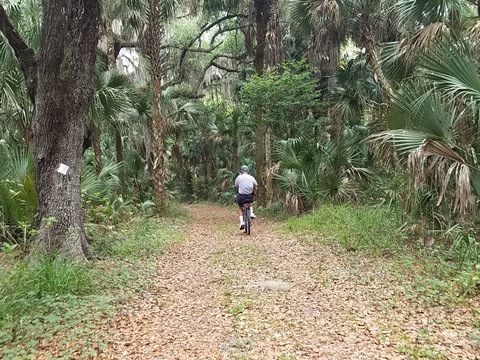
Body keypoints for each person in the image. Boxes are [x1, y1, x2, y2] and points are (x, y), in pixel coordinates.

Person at [235, 165, 257, 229]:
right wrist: (254, 194)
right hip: (249, 196)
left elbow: (236, 185)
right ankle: (251, 213)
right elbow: (255, 185)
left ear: (241, 171)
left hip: (241, 196)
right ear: (248, 171)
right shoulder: (251, 177)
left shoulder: (239, 177)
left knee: (240, 208)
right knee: (250, 201)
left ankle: (242, 222)